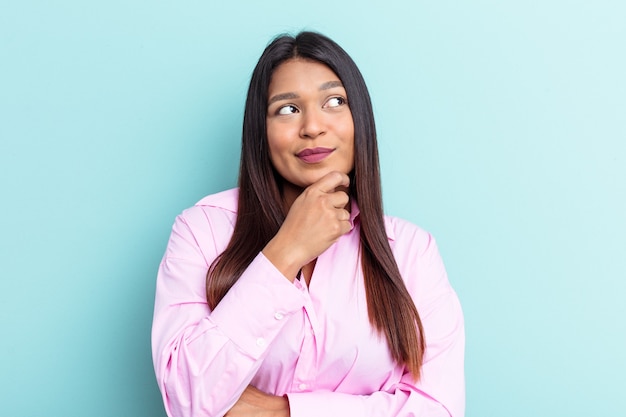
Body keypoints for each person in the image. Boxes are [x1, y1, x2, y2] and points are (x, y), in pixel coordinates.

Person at [152, 31, 465, 417]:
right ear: (260, 131)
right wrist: (286, 250)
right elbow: (186, 398)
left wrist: (280, 412)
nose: (313, 127)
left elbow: (439, 410)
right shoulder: (202, 231)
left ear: (360, 120)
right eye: (287, 109)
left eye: (334, 101)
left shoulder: (412, 251)